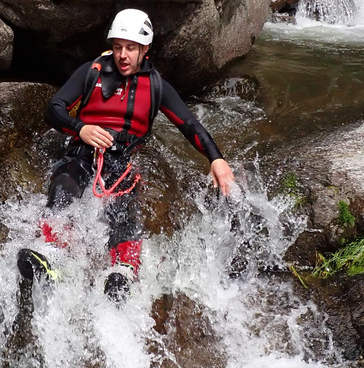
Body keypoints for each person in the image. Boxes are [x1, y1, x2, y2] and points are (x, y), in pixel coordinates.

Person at [17, 8, 235, 301]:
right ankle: (51, 254)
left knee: (123, 207)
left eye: (131, 48)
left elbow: (190, 124)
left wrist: (216, 159)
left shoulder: (157, 86)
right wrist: (79, 128)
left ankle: (123, 270)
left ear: (144, 49)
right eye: (118, 47)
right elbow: (54, 109)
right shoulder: (90, 71)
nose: (122, 55)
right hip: (83, 151)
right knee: (63, 185)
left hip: (121, 159)